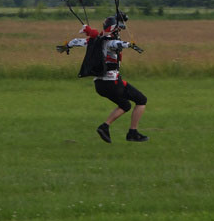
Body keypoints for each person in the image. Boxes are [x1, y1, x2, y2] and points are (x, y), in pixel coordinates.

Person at [56, 12, 148, 142]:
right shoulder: (110, 42)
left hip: (99, 85)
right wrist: (130, 45)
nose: (119, 31)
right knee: (141, 100)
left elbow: (76, 41)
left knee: (125, 105)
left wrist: (67, 46)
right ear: (113, 29)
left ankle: (105, 127)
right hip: (113, 83)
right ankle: (132, 133)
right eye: (118, 29)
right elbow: (117, 44)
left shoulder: (93, 41)